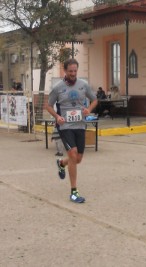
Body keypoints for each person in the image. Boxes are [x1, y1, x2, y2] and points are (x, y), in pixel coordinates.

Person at [46, 58, 98, 203]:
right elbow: (48, 106)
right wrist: (57, 116)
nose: (73, 73)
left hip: (80, 125)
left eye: (75, 71)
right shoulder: (58, 87)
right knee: (73, 154)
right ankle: (74, 192)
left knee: (78, 159)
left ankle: (62, 163)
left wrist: (89, 109)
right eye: (70, 71)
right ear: (65, 71)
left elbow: (94, 100)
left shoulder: (83, 85)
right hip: (65, 126)